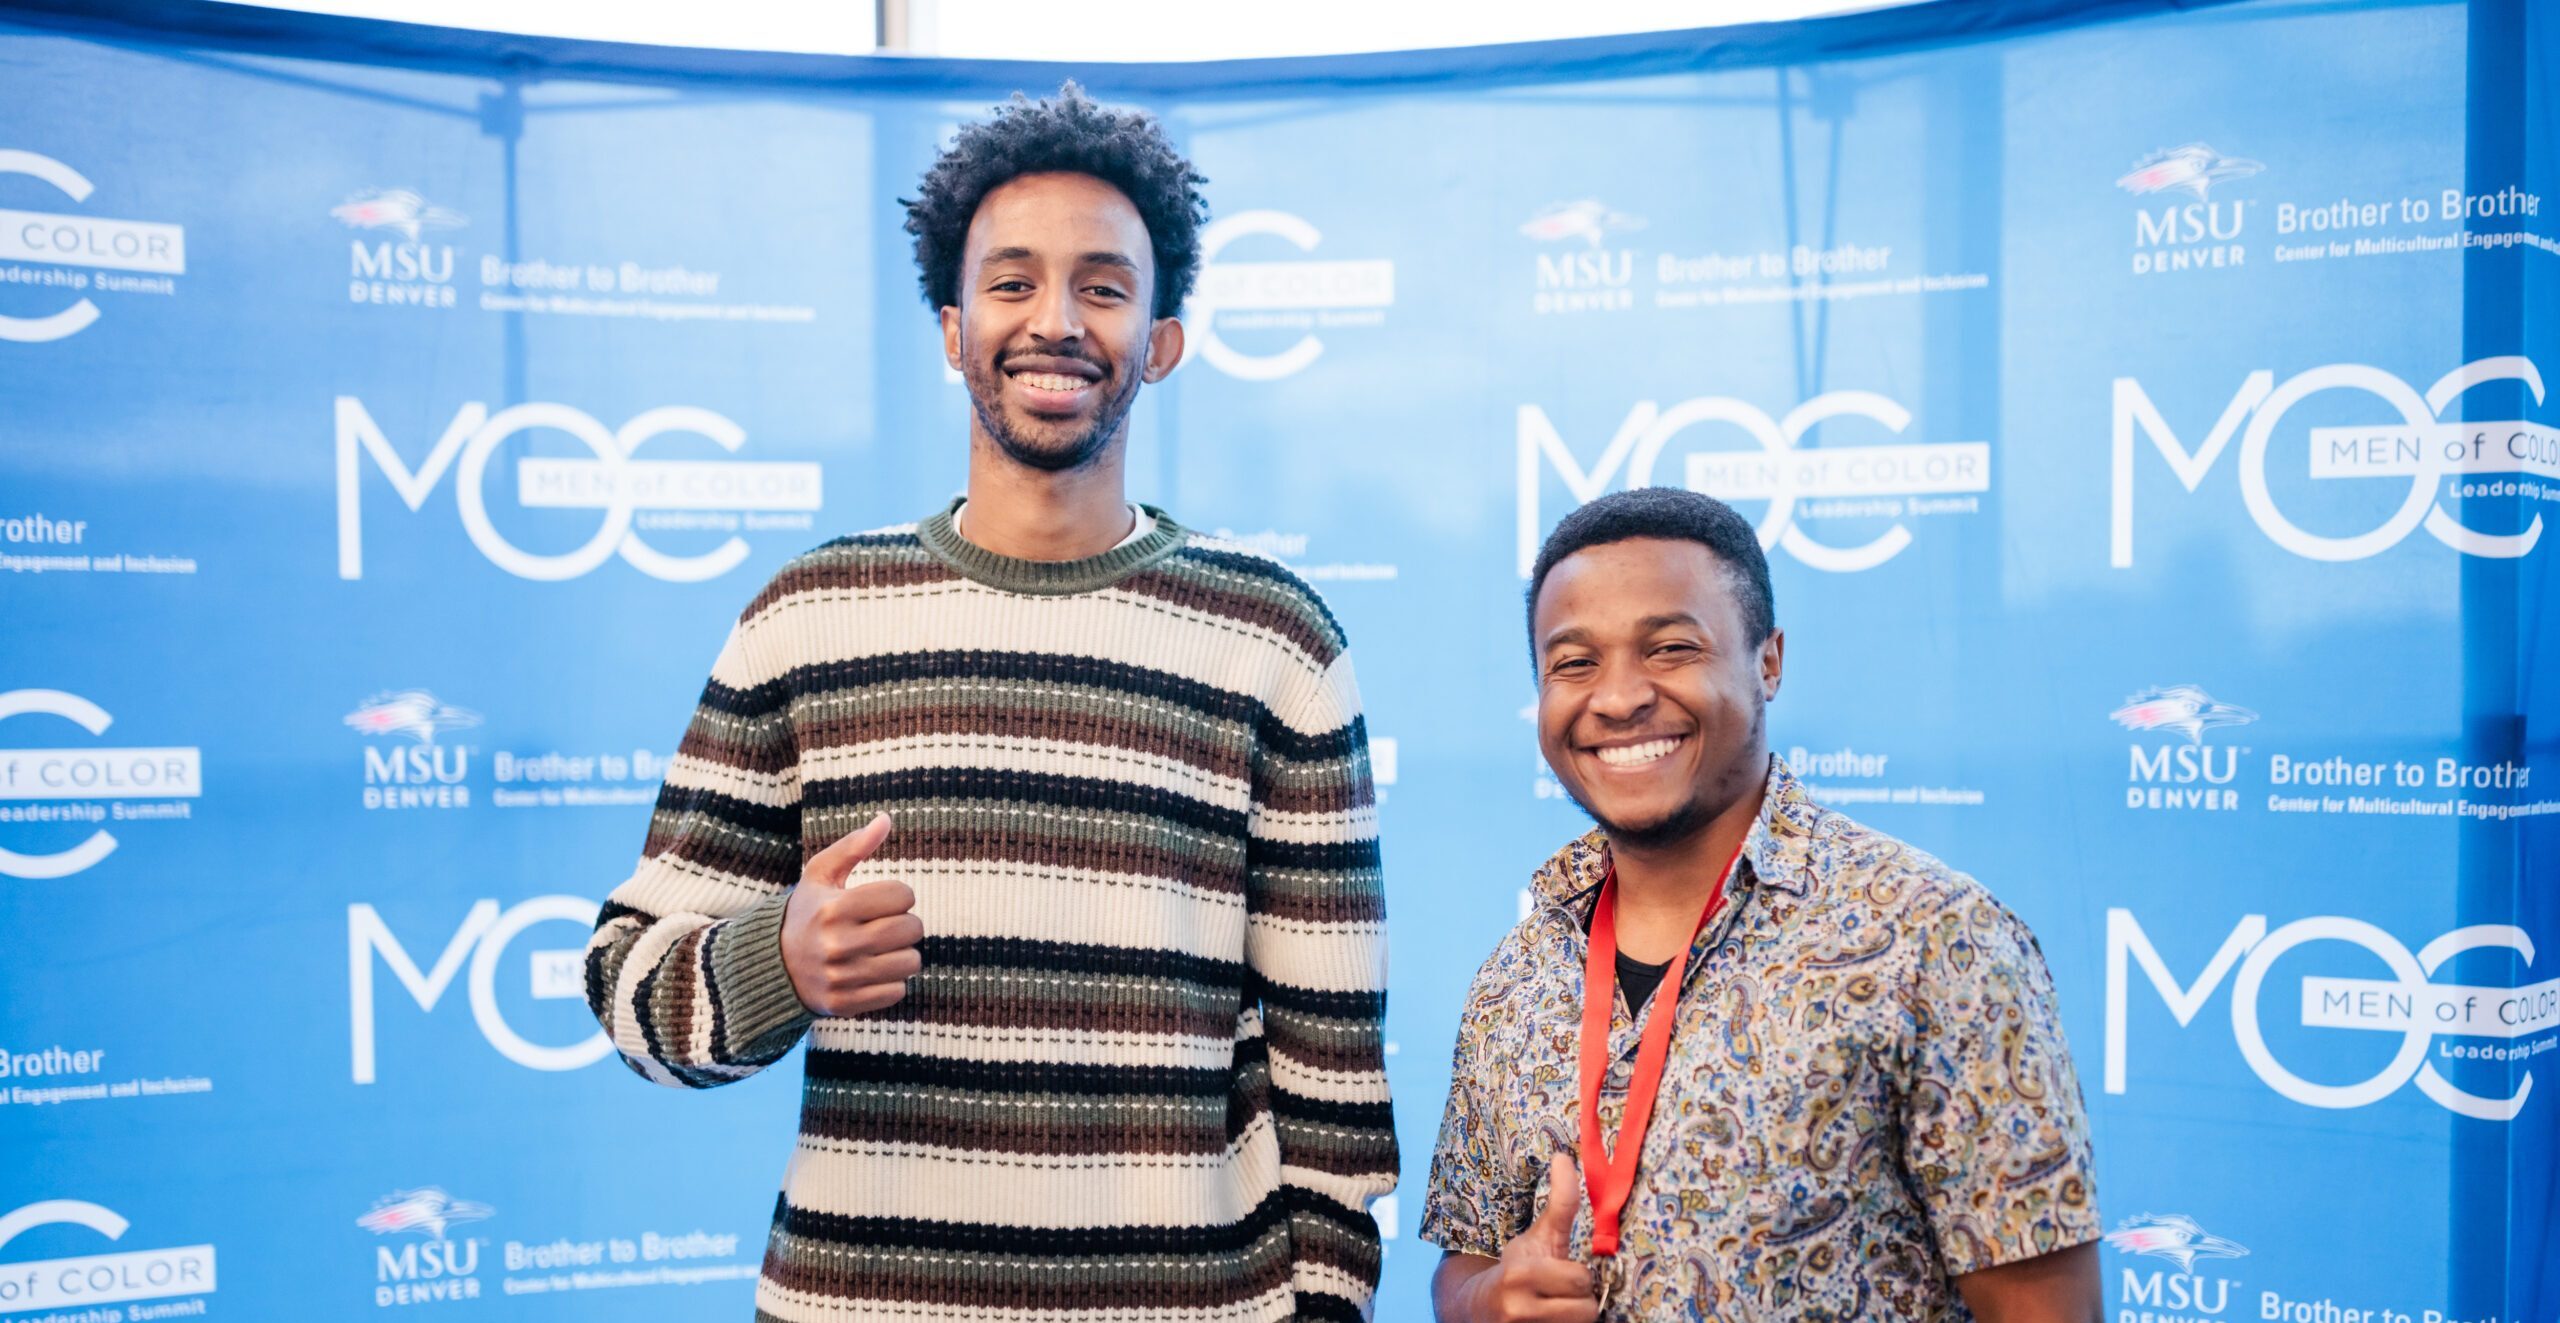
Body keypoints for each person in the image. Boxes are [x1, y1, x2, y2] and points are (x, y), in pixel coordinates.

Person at [584, 85, 1396, 1322]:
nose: (1056, 321)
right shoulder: (808, 618)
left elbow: (1330, 1072)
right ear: (955, 329)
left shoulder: (1272, 637)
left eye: (1105, 287)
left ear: (1162, 340)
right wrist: (780, 962)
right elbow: (628, 989)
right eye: (1013, 284)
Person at [1421, 487, 2100, 1321]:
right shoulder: (1513, 977)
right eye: (1574, 662)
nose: (1620, 696)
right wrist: (1491, 1299)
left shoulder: (1935, 940)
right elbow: (1465, 1270)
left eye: (1670, 647)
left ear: (1768, 661)